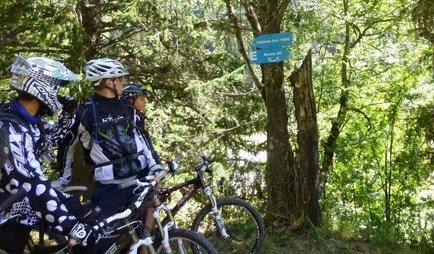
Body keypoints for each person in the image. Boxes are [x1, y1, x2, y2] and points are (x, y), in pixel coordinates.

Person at [54, 58, 164, 253]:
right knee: (101, 244)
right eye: (119, 79)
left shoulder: (127, 108)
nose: (122, 83)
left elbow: (142, 138)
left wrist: (154, 164)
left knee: (144, 235)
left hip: (138, 180)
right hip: (110, 188)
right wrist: (63, 179)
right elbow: (66, 145)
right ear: (107, 82)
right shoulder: (85, 112)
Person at [0, 55, 98, 253]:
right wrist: (72, 226)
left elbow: (54, 138)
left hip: (17, 205)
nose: (59, 93)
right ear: (42, 87)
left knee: (86, 216)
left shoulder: (27, 122)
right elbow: (31, 184)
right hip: (7, 216)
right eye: (57, 87)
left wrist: (68, 114)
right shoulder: (12, 129)